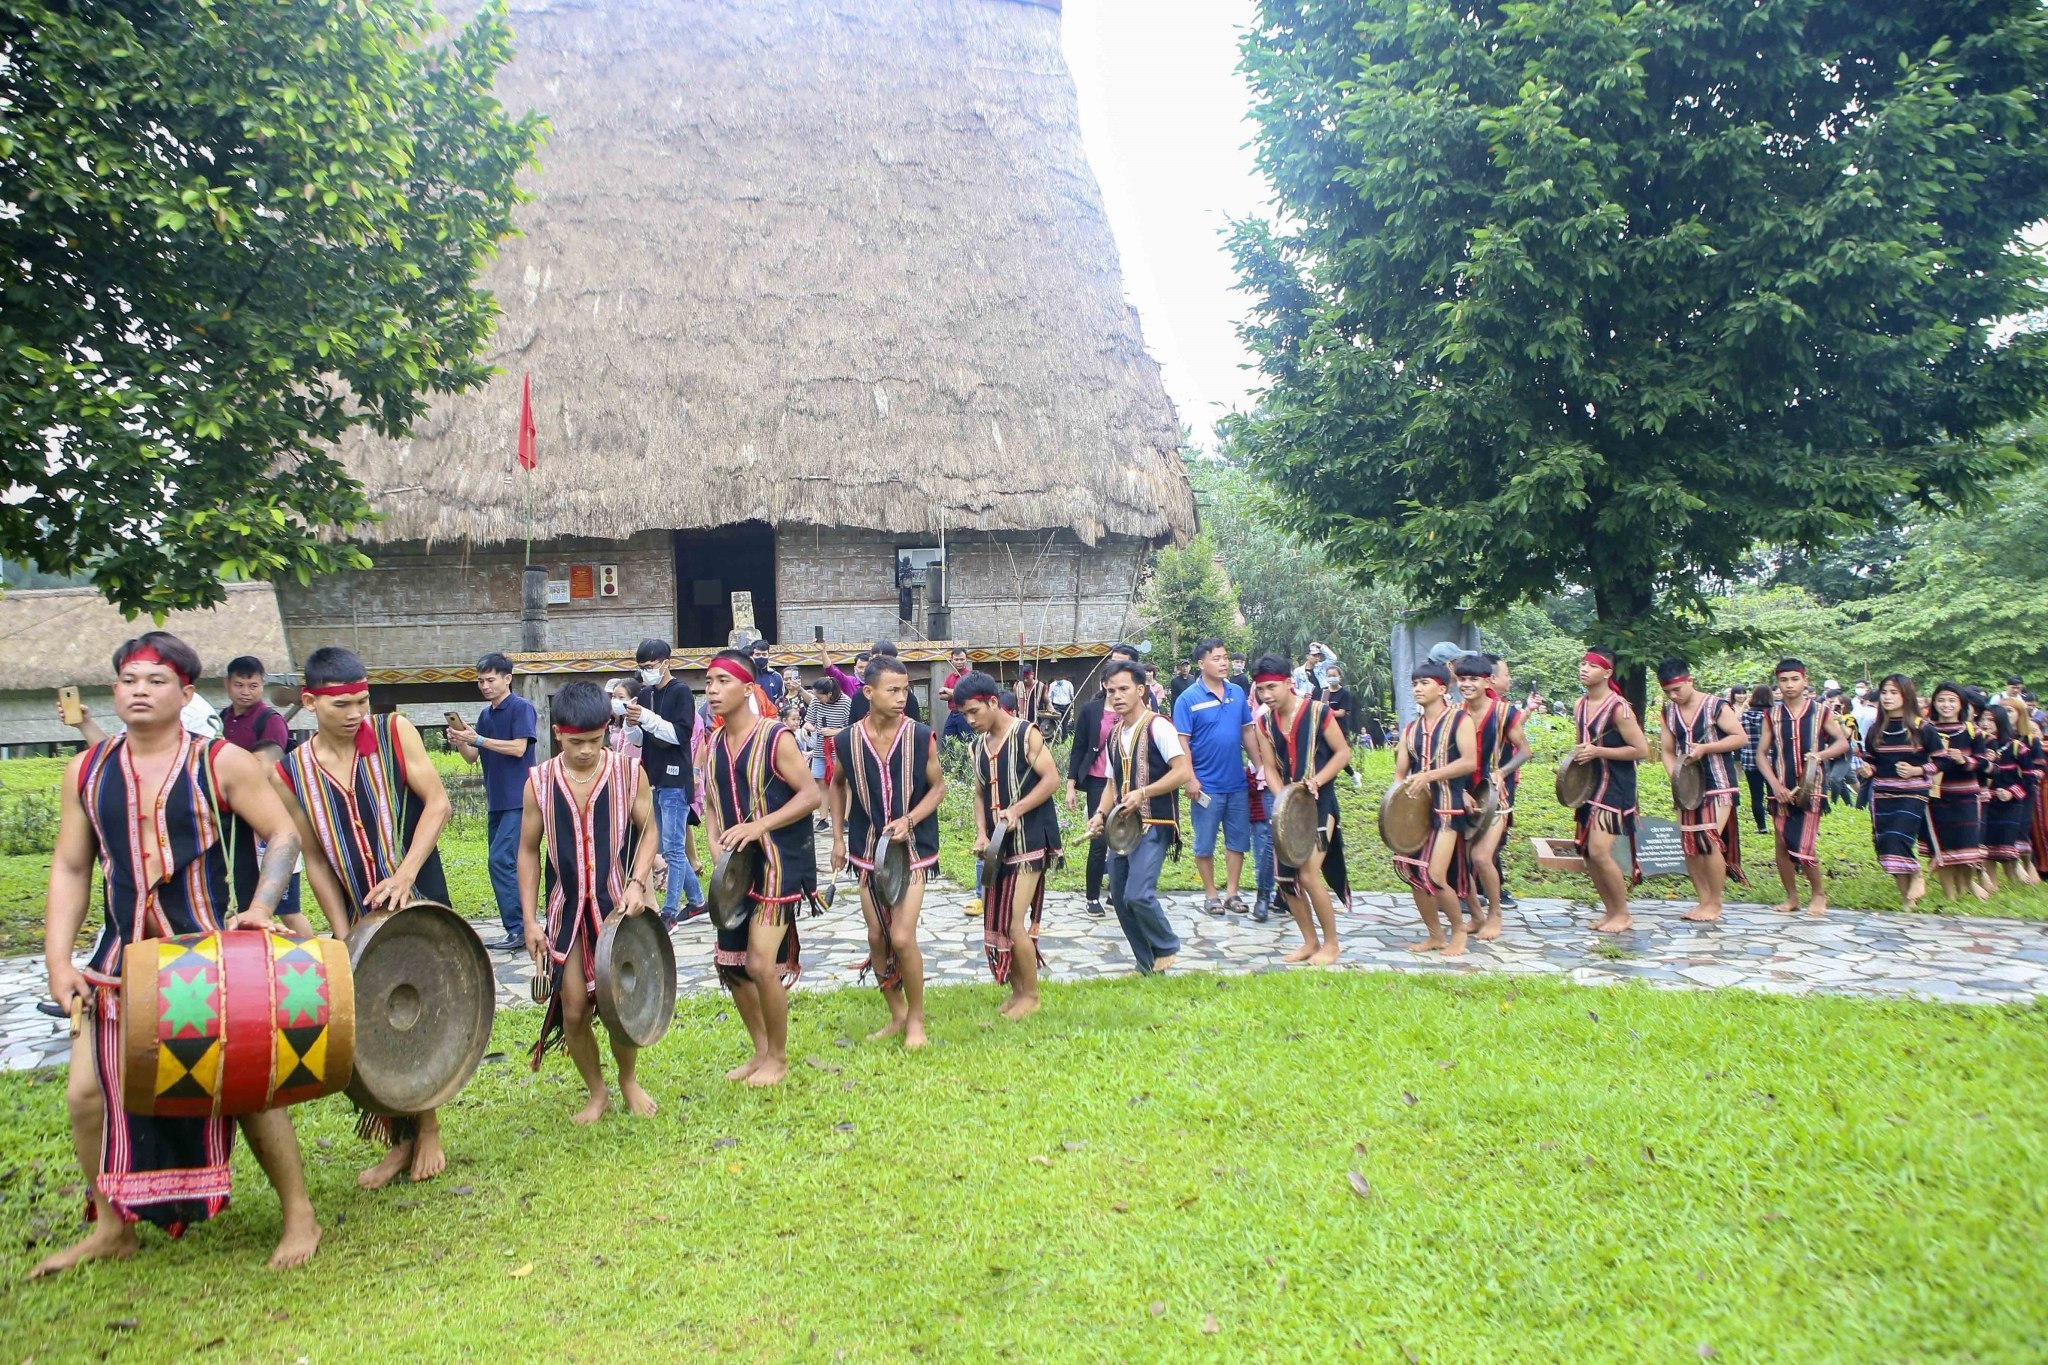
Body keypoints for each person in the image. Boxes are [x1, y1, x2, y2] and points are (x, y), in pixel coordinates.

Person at [34, 632, 319, 1277]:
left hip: (201, 960)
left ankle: (299, 1213)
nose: (140, 690)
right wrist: (58, 961)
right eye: (130, 679)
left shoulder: (219, 762)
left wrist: (264, 906)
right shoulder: (87, 769)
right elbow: (72, 867)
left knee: (246, 1090)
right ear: (115, 689)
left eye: (156, 681)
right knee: (86, 1095)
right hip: (116, 960)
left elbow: (281, 833)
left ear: (186, 693)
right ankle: (112, 1225)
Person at [273, 646, 455, 1187]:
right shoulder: (291, 771)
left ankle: (429, 1129)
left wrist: (404, 875)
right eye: (341, 704)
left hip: (417, 894)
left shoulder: (394, 731)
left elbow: (438, 804)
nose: (355, 713)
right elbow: (311, 856)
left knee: (424, 1008)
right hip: (354, 908)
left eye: (361, 700)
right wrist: (343, 930)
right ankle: (397, 1139)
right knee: (372, 1026)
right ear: (310, 703)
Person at [516, 681, 662, 1121]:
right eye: (575, 741)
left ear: (608, 730)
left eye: (595, 741)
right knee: (575, 1010)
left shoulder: (628, 772)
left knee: (619, 1004)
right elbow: (527, 851)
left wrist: (638, 882)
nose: (585, 750)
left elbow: (650, 828)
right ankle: (596, 1091)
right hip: (565, 913)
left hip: (617, 908)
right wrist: (529, 920)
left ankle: (628, 1080)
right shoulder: (538, 782)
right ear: (557, 733)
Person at [703, 651, 821, 1087]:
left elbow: (810, 796)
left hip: (775, 864)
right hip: (733, 872)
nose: (712, 690)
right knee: (731, 965)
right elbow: (711, 802)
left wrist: (759, 826)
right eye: (709, 682)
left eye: (721, 681)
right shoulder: (712, 743)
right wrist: (714, 843)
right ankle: (758, 1051)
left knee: (758, 962)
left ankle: (779, 1057)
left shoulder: (777, 738)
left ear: (748, 688)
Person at [828, 654, 943, 1047]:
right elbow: (837, 785)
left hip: (913, 849)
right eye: (892, 690)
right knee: (877, 934)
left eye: (905, 689)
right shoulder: (846, 740)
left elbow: (938, 788)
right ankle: (896, 1013)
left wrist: (910, 820)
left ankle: (917, 1021)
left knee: (903, 935)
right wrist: (839, 839)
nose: (900, 697)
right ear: (868, 692)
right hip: (865, 848)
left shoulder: (920, 734)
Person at [960, 671, 1062, 1018]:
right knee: (1001, 922)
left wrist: (1017, 808)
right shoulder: (976, 746)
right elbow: (978, 793)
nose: (970, 720)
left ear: (992, 702)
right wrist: (980, 833)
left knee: (1014, 921)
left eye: (974, 712)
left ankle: (1031, 996)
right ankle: (1018, 992)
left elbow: (1052, 779)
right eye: (964, 715)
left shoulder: (1025, 733)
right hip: (997, 845)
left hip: (1031, 838)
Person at [1088, 659, 1190, 975]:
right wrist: (1100, 814)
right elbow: (1112, 783)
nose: (1116, 696)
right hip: (1123, 829)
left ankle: (1166, 946)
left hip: (1155, 823)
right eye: (1110, 691)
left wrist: (1144, 793)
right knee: (1119, 897)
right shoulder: (1115, 733)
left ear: (1141, 689)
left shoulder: (1159, 725)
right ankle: (1147, 964)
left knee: (1138, 894)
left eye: (1123, 689)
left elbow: (1183, 771)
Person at [1252, 653, 1354, 964]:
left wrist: (1317, 781)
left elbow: (1343, 753)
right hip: (1289, 809)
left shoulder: (1318, 712)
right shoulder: (1263, 723)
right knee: (1285, 878)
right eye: (1261, 690)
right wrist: (1283, 798)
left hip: (1321, 804)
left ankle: (1332, 944)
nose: (1267, 695)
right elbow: (1269, 767)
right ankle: (1309, 942)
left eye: (1272, 687)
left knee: (1309, 875)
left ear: (1287, 683)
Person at [446, 653, 538, 950]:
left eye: (490, 679)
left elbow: (518, 748)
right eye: (480, 680)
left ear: (507, 678)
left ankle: (519, 928)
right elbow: (473, 757)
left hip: (520, 799)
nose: (484, 685)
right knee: (502, 862)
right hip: (496, 801)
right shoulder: (486, 716)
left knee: (501, 860)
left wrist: (479, 740)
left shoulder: (521, 708)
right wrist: (462, 741)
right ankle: (519, 928)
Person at [218, 655, 311, 934]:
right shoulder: (222, 720)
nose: (246, 692)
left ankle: (317, 960)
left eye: (253, 685)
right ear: (227, 684)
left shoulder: (270, 721)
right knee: (243, 905)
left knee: (288, 910)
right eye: (239, 685)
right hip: (235, 827)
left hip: (267, 823)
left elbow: (274, 772)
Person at [1389, 661, 1475, 956]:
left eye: (1424, 683)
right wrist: (1395, 808)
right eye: (1415, 684)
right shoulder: (1411, 729)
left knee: (1436, 876)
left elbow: (1469, 762)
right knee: (1413, 874)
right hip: (1418, 814)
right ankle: (1435, 935)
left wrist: (1430, 775)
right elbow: (1400, 774)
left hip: (1448, 810)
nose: (1417, 689)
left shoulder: (1459, 720)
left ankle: (1459, 932)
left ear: (1441, 688)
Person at [1656, 657, 1749, 923]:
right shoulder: (1668, 712)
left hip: (1719, 783)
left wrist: (1706, 748)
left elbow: (1739, 737)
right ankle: (1703, 900)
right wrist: (1677, 779)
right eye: (1668, 692)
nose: (1673, 696)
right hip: (1687, 789)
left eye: (1677, 690)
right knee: (1689, 845)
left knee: (1708, 840)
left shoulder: (1715, 705)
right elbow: (1666, 751)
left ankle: (1715, 903)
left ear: (1689, 681)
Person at [1172, 638, 1259, 918]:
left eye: (1224, 658)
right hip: (1206, 786)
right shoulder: (1188, 699)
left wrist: (1259, 768)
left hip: (1237, 783)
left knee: (1237, 841)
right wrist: (1189, 778)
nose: (1223, 663)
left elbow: (1247, 732)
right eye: (1216, 658)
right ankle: (1211, 895)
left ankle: (1232, 893)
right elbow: (1182, 743)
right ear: (1201, 664)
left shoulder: (1236, 693)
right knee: (1204, 842)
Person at [620, 640, 704, 926]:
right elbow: (643, 740)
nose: (646, 673)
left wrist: (646, 717)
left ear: (666, 662)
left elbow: (679, 735)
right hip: (653, 777)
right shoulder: (644, 695)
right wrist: (631, 724)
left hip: (676, 777)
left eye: (650, 667)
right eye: (641, 668)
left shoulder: (681, 692)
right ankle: (697, 902)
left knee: (673, 847)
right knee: (662, 846)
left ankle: (669, 912)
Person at [1759, 658, 1851, 917]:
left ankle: (1819, 894)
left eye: (1794, 679)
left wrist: (1820, 756)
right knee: (1781, 843)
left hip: (1812, 787)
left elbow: (1842, 743)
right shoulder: (1772, 715)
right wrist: (1775, 784)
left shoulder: (1820, 712)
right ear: (1777, 683)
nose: (1789, 685)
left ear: (1805, 680)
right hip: (1780, 788)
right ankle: (1791, 897)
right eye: (1784, 680)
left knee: (1803, 843)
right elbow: (1760, 754)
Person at [1569, 647, 1649, 933]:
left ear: (1607, 673)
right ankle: (1610, 911)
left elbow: (1641, 750)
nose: (1585, 669)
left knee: (1600, 851)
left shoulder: (1620, 708)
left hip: (1615, 787)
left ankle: (1623, 913)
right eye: (1583, 664)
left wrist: (1598, 751)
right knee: (1589, 854)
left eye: (1592, 665)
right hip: (1588, 787)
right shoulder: (1580, 703)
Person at [1063, 645, 1142, 920]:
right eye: (1112, 666)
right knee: (1099, 838)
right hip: (1099, 781)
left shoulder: (1143, 711)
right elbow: (1078, 747)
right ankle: (1092, 895)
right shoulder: (1091, 710)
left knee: (1128, 838)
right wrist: (1071, 784)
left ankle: (1118, 892)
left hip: (1132, 782)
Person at [1455, 653, 1529, 939]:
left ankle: (1495, 913)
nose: (1466, 684)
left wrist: (1503, 771)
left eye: (1473, 679)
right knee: (1463, 860)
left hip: (1496, 795)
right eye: (1462, 679)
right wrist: (1459, 790)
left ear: (1486, 681)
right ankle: (1475, 915)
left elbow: (1525, 750)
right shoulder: (1455, 713)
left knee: (1483, 858)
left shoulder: (1504, 712)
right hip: (1462, 794)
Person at [1860, 674, 1936, 911]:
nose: (1888, 698)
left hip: (1913, 793)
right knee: (1886, 844)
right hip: (1883, 793)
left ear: (1906, 695)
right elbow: (1872, 760)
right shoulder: (1875, 730)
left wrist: (1917, 770)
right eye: (1884, 693)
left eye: (1894, 693)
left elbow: (1942, 761)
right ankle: (1907, 900)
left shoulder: (1922, 728)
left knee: (1898, 837)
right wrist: (1867, 769)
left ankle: (1917, 874)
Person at [1925, 681, 1990, 902]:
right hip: (1937, 795)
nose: (1946, 705)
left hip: (1966, 796)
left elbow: (1983, 764)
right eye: (1941, 700)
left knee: (1966, 846)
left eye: (1952, 700)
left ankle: (1964, 890)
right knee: (1942, 848)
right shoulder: (1926, 729)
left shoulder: (1972, 731)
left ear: (1961, 704)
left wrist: (1965, 760)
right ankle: (1950, 895)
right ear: (1934, 703)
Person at [1980, 697, 2035, 889]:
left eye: (1991, 720)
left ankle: (2020, 888)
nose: (1985, 724)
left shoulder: (2017, 747)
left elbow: (2030, 779)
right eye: (1983, 720)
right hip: (1986, 802)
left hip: (2009, 806)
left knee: (2005, 850)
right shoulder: (1979, 746)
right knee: (1987, 849)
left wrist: (2012, 793)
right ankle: (1992, 887)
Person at [1321, 666, 1363, 788]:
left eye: (1334, 675)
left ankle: (1352, 775)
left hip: (1339, 728)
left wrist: (1328, 710)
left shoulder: (1344, 693)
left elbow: (1341, 713)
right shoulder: (1324, 692)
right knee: (1327, 754)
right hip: (1324, 728)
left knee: (1338, 754)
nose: (1331, 678)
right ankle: (1351, 775)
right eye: (1329, 676)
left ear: (1339, 677)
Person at [1738, 685, 1772, 834]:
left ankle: (1761, 827)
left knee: (1756, 795)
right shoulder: (1772, 715)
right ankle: (1779, 822)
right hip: (1770, 759)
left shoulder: (1745, 715)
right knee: (1773, 793)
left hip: (1750, 759)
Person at [939, 646, 974, 743]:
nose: (959, 662)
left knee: (966, 741)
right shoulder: (950, 677)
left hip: (965, 714)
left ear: (966, 660)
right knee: (946, 742)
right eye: (956, 659)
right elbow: (942, 696)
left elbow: (966, 693)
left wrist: (947, 690)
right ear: (952, 660)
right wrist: (955, 692)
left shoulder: (970, 676)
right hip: (953, 713)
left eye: (962, 659)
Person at [750, 640, 783, 707]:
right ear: (752, 656)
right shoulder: (747, 675)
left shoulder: (777, 677)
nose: (761, 657)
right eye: (757, 654)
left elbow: (781, 700)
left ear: (768, 656)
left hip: (772, 716)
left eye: (764, 654)